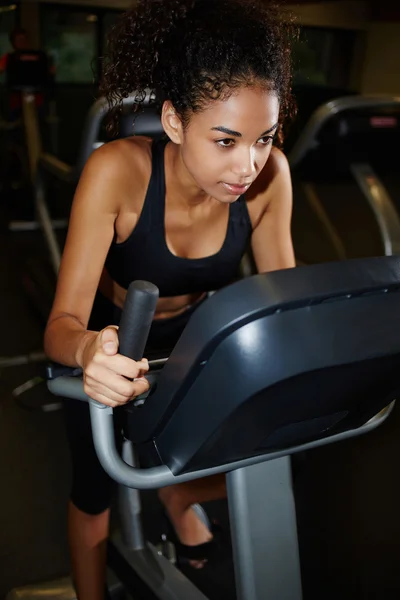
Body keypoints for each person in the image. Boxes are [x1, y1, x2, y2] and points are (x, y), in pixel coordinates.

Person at [44, 0, 297, 597]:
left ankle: (180, 495)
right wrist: (87, 352)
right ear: (175, 122)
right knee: (95, 490)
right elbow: (59, 325)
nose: (247, 165)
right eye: (227, 140)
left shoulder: (270, 177)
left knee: (280, 448)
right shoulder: (117, 171)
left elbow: (283, 297)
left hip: (191, 342)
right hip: (108, 338)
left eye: (263, 138)